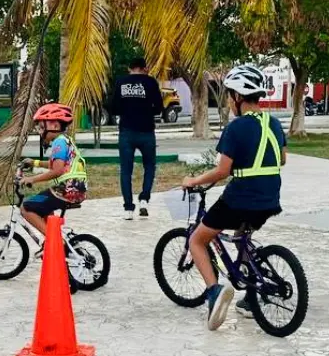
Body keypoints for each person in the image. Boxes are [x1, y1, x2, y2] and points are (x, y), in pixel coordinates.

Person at [181, 64, 287, 330]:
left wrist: (193, 180)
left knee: (197, 240)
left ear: (238, 98)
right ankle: (251, 298)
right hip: (270, 199)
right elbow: (282, 159)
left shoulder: (236, 128)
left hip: (240, 198)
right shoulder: (273, 123)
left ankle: (214, 292)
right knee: (242, 239)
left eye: (229, 95)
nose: (228, 100)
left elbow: (222, 170)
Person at [20, 103, 88, 236]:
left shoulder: (59, 142)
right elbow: (56, 164)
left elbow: (56, 171)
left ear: (55, 126)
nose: (40, 131)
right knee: (42, 205)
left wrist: (32, 179)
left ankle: (54, 240)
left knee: (26, 208)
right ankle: (53, 239)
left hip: (68, 189)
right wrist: (34, 163)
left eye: (41, 127)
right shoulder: (65, 140)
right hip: (76, 188)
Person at [109, 57, 163, 220]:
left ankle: (128, 209)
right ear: (145, 68)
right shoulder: (151, 82)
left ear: (129, 68)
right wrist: (146, 111)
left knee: (126, 171)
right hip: (147, 132)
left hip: (126, 132)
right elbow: (159, 108)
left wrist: (127, 110)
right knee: (150, 166)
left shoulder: (121, 82)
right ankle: (144, 199)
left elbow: (113, 107)